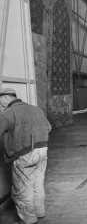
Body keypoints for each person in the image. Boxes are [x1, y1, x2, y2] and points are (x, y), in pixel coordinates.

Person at [0, 88, 52, 224]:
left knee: (23, 188)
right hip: (42, 150)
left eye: (0, 102)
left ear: (5, 98)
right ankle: (40, 212)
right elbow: (49, 127)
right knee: (37, 183)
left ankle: (28, 219)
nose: (0, 106)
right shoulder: (35, 109)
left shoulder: (8, 113)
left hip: (24, 154)